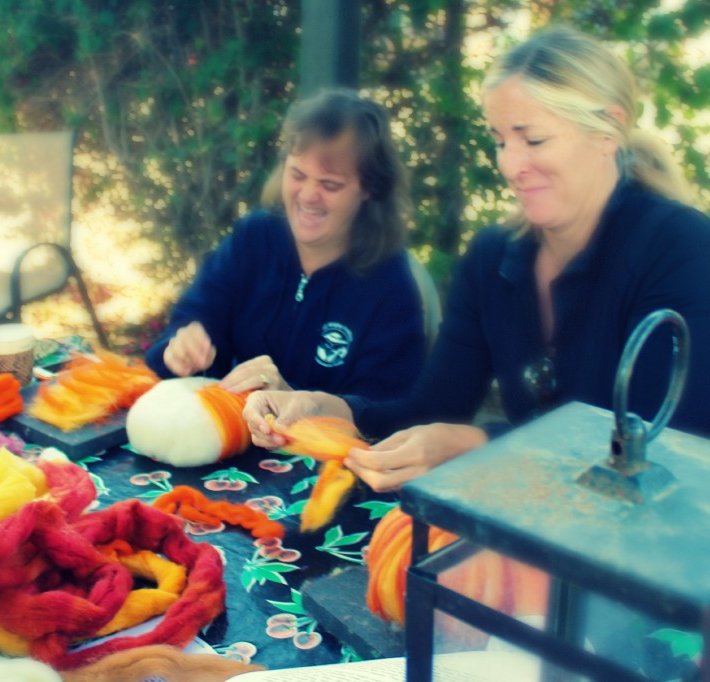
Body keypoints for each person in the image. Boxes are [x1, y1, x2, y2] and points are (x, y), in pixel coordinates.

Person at [244, 27, 710, 491]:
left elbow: (660, 453)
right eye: (501, 140)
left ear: (608, 130)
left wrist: (474, 446)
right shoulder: (493, 261)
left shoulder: (678, 246)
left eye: (533, 140)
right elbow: (428, 417)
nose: (509, 164)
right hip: (533, 539)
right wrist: (324, 408)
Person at [145, 89, 426, 401]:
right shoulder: (253, 239)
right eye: (297, 175)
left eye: (329, 184)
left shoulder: (391, 286)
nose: (307, 196)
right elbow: (195, 317)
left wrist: (295, 402)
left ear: (369, 189)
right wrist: (183, 346)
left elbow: (389, 413)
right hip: (230, 435)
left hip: (321, 450)